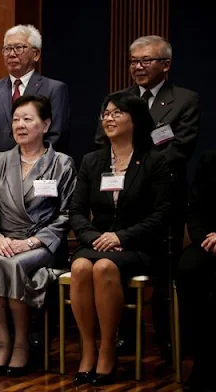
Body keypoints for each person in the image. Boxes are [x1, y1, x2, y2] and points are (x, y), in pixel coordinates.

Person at [94, 36, 201, 359]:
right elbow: (102, 141)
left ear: (165, 64)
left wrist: (138, 171)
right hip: (119, 200)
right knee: (115, 259)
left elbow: (179, 148)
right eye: (133, 61)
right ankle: (124, 334)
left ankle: (167, 337)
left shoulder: (184, 99)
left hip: (162, 197)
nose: (138, 67)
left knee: (163, 267)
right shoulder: (119, 99)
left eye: (146, 61)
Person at [69, 91, 172, 386]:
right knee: (80, 267)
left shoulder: (153, 161)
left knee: (102, 267)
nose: (109, 118)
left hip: (136, 246)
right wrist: (94, 236)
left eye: (117, 113)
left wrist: (121, 237)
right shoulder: (92, 161)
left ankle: (108, 348)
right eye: (106, 113)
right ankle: (88, 349)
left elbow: (162, 213)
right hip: (97, 242)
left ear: (135, 120)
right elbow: (76, 211)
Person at [0, 95, 76, 377]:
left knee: (15, 264)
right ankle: (3, 342)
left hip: (41, 242)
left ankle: (21, 344)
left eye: (28, 119)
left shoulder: (62, 164)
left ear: (46, 124)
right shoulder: (1, 161)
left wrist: (31, 242)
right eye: (16, 119)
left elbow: (67, 214)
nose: (20, 125)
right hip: (5, 240)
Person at [0, 24, 70, 172]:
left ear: (36, 54)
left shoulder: (54, 89)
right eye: (7, 49)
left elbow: (56, 136)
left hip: (40, 174)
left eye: (19, 48)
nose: (11, 54)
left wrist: (32, 170)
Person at [176, 150, 216, 392]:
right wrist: (205, 239)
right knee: (188, 269)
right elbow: (195, 208)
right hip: (209, 241)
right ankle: (200, 360)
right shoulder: (210, 158)